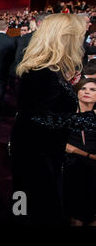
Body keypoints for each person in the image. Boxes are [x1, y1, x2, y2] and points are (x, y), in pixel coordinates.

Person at [11, 13, 96, 225]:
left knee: (25, 201)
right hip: (36, 153)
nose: (81, 42)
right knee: (34, 206)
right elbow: (39, 119)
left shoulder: (48, 70)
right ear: (63, 38)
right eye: (77, 36)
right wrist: (85, 120)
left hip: (38, 148)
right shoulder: (43, 73)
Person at [63, 78, 96, 226]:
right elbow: (65, 146)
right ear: (77, 93)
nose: (87, 92)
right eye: (83, 89)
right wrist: (87, 155)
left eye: (92, 90)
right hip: (72, 164)